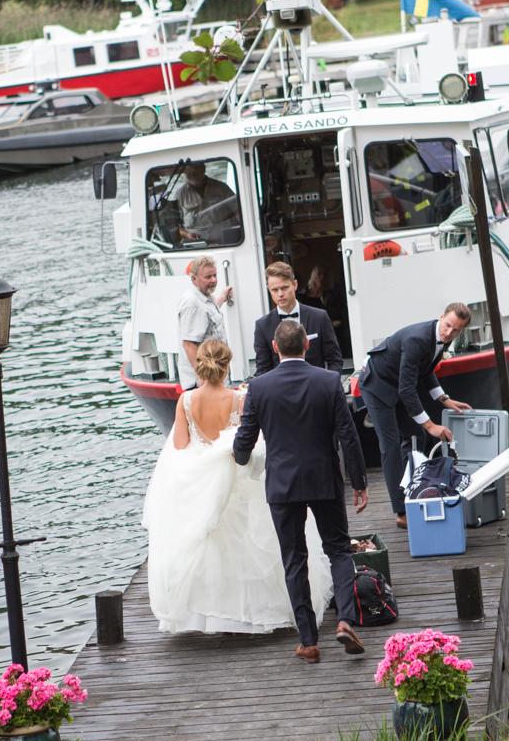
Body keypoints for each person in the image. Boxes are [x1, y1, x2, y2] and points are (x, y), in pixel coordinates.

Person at [142, 339, 333, 634]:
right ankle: (254, 614)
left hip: (203, 482)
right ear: (227, 364)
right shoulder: (238, 399)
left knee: (209, 547)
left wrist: (204, 454)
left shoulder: (186, 401)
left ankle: (210, 615)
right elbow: (249, 442)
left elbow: (180, 445)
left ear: (199, 364)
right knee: (249, 542)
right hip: (237, 479)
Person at [233, 320, 369, 664]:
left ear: (275, 349)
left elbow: (246, 438)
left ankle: (308, 641)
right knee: (338, 551)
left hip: (282, 484)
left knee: (294, 560)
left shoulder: (259, 387)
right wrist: (359, 482)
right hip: (323, 478)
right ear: (307, 347)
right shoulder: (327, 381)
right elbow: (348, 435)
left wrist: (239, 456)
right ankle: (345, 620)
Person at [359, 303, 472, 528]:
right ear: (441, 317)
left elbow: (426, 369)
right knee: (389, 446)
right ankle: (401, 512)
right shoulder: (417, 340)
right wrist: (431, 425)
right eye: (448, 325)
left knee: (414, 436)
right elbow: (407, 390)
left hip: (399, 385)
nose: (449, 332)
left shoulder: (443, 337)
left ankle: (410, 489)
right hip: (377, 386)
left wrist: (444, 399)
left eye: (456, 330)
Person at [254, 261, 343, 376]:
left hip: (316, 388)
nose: (280, 294)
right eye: (275, 290)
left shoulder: (319, 317)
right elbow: (263, 369)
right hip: (280, 391)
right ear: (269, 290)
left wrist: (328, 385)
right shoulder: (263, 325)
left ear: (295, 285)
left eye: (284, 288)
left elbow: (334, 359)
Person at [177, 255, 232, 390]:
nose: (213, 280)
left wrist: (221, 299)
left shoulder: (205, 296)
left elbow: (206, 318)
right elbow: (189, 344)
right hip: (203, 383)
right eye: (208, 277)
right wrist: (203, 376)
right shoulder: (192, 303)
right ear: (194, 279)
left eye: (215, 275)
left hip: (215, 377)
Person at [173, 161, 239, 246]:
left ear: (203, 169)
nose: (192, 175)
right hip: (195, 242)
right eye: (188, 172)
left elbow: (238, 210)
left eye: (195, 171)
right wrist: (186, 235)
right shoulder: (180, 194)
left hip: (224, 239)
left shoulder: (221, 187)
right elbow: (175, 226)